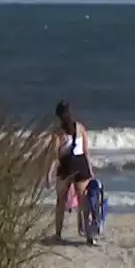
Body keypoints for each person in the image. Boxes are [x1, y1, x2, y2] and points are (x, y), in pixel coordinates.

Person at [51, 101, 94, 243]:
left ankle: (58, 234)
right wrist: (90, 170)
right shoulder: (80, 127)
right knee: (83, 201)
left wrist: (48, 173)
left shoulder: (58, 132)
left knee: (61, 202)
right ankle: (89, 235)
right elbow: (86, 151)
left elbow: (55, 156)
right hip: (81, 164)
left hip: (66, 166)